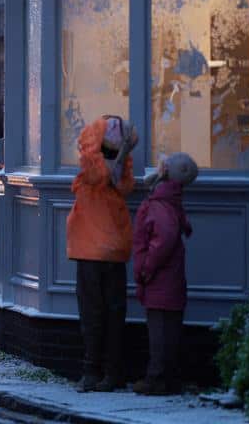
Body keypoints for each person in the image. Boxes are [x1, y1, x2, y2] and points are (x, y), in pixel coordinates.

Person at [66, 115, 137, 392]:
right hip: (114, 250)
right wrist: (121, 153)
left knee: (93, 314)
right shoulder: (115, 175)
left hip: (91, 250)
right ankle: (112, 372)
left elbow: (97, 172)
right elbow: (124, 184)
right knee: (113, 313)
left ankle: (92, 371)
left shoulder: (91, 177)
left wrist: (109, 153)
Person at [132, 152, 197, 396]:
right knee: (168, 331)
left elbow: (161, 242)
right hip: (170, 280)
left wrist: (146, 270)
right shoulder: (172, 204)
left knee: (159, 332)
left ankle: (157, 379)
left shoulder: (160, 206)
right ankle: (168, 378)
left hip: (159, 281)